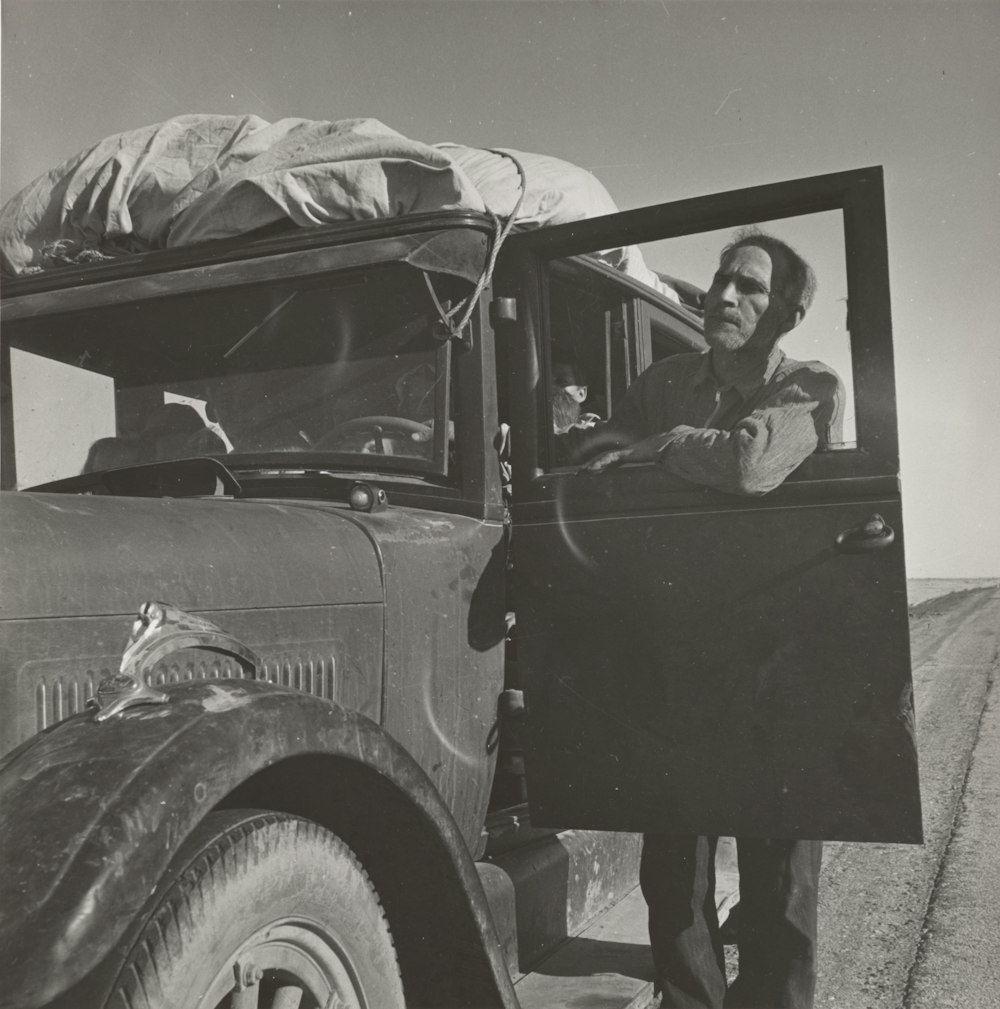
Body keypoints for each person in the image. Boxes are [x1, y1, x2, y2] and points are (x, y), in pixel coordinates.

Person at [583, 229, 843, 1009]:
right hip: (678, 651)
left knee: (780, 885)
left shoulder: (812, 384)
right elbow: (600, 456)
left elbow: (752, 463)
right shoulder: (663, 381)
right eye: (723, 278)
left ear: (789, 312)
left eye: (751, 287)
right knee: (673, 872)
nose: (725, 295)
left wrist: (663, 447)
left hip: (775, 656)